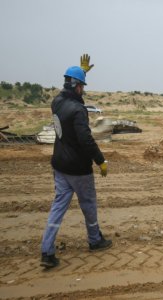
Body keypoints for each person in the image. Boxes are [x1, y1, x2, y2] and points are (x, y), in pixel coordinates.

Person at [40, 60, 112, 269]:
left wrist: (80, 73)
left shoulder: (57, 102)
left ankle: (47, 250)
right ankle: (95, 240)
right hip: (79, 169)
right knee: (88, 205)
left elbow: (66, 94)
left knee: (58, 207)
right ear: (77, 86)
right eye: (82, 86)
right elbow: (86, 140)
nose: (83, 90)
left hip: (59, 165)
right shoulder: (79, 110)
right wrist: (101, 160)